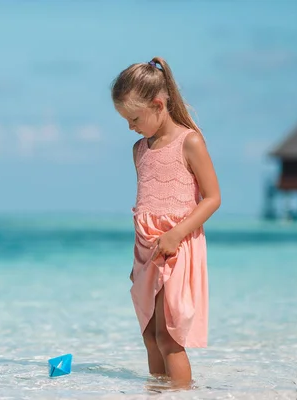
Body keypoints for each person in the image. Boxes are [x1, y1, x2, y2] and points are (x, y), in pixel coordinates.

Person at [111, 57, 221, 387]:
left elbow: (213, 198)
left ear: (158, 104)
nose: (130, 126)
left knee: (168, 336)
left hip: (178, 248)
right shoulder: (139, 150)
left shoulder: (189, 142)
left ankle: (182, 394)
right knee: (148, 334)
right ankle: (158, 392)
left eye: (134, 118)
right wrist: (138, 261)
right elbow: (145, 210)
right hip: (147, 252)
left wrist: (176, 234)